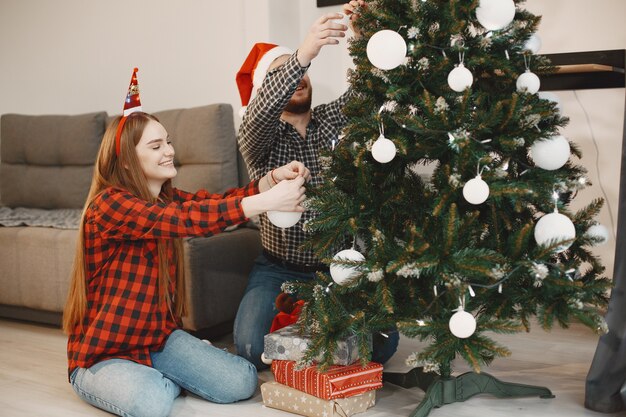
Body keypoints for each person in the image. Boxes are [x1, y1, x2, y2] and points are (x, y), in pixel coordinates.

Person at [63, 68, 309, 417]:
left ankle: (162, 371)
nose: (170, 151)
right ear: (128, 158)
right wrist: (265, 205)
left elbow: (207, 205)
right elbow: (179, 223)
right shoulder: (109, 205)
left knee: (242, 380)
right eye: (156, 145)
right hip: (105, 353)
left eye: (169, 141)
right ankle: (115, 379)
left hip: (157, 340)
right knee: (150, 402)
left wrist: (267, 182)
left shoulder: (165, 199)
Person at [234, 1, 399, 370]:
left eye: (298, 73)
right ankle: (308, 327)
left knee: (383, 346)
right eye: (282, 76)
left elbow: (372, 86)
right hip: (278, 267)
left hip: (338, 266)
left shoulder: (332, 117)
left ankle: (310, 329)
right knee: (248, 348)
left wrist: (364, 36)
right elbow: (259, 112)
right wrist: (303, 54)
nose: (297, 79)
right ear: (268, 89)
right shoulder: (257, 137)